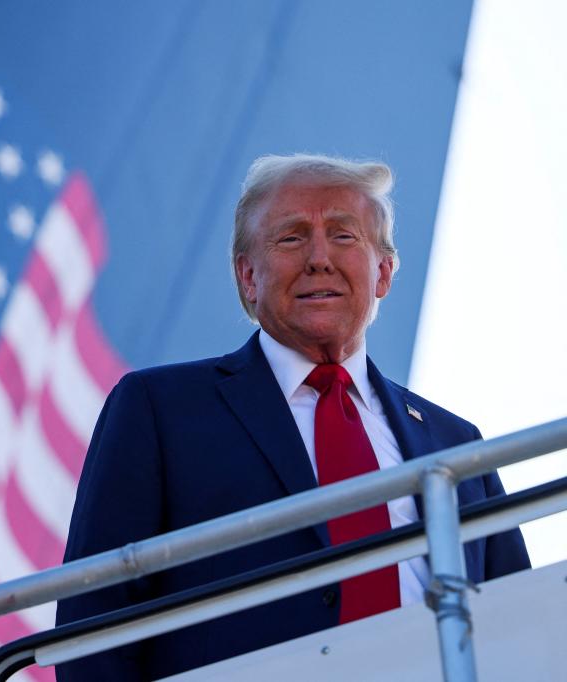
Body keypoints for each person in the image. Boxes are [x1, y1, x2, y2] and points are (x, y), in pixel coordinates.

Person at [54, 154, 530, 680]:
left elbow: (517, 626)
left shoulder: (456, 444)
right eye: (291, 238)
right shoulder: (160, 408)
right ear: (247, 275)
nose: (319, 258)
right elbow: (92, 625)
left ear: (384, 274)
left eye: (345, 236)